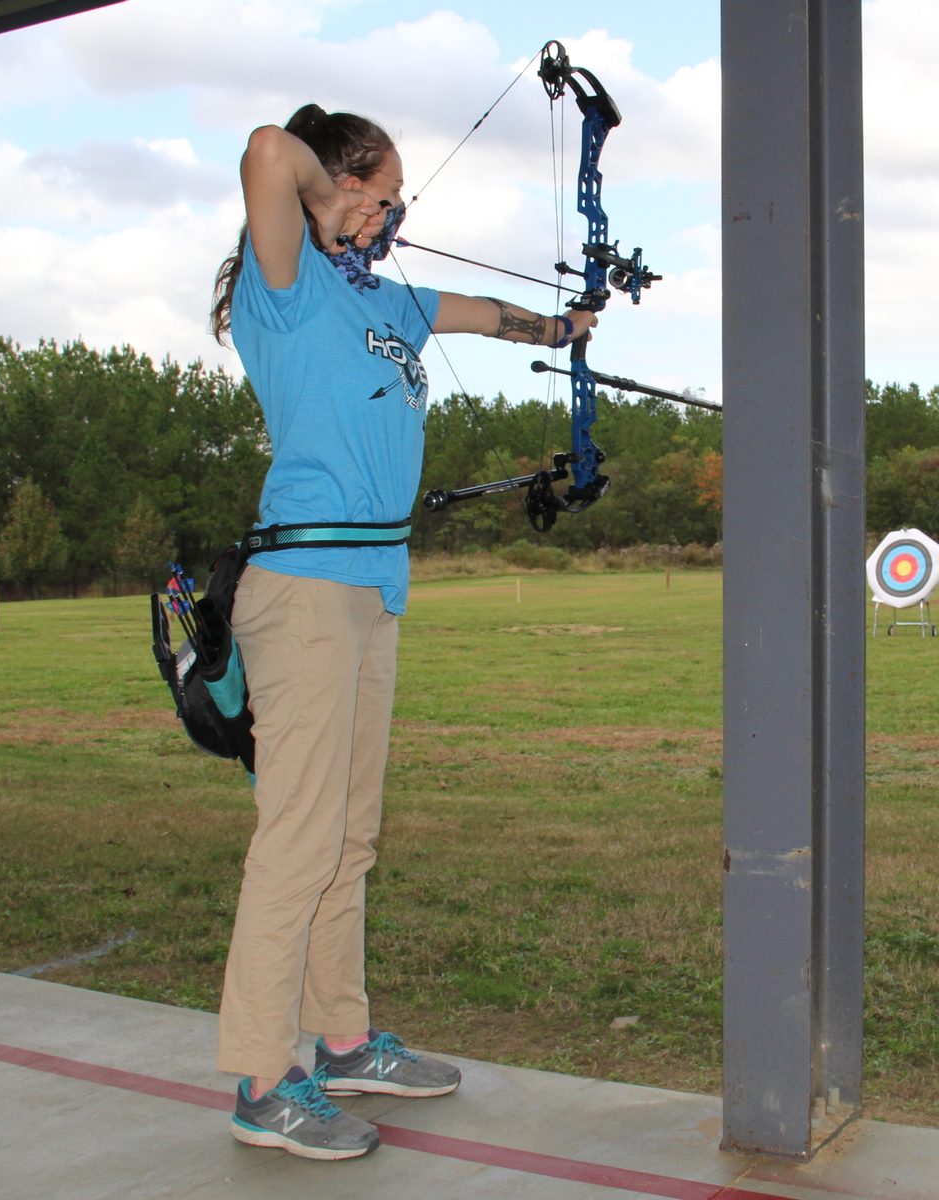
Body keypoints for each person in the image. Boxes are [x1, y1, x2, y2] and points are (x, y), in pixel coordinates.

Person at [206, 104, 595, 1161]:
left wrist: (565, 326)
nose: (390, 211)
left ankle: (339, 1041)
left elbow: (482, 313)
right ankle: (257, 1076)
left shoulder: (388, 299)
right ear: (329, 189)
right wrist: (325, 203)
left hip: (372, 586)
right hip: (302, 585)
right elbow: (263, 147)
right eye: (375, 191)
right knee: (297, 839)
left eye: (392, 197)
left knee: (348, 834)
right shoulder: (284, 285)